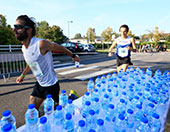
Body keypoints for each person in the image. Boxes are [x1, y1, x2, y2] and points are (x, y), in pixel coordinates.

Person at [13, 15, 80, 110]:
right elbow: (32, 63)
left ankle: (71, 98)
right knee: (32, 111)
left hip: (51, 85)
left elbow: (60, 48)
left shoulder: (41, 44)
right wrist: (22, 75)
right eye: (14, 27)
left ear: (29, 30)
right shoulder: (24, 48)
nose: (14, 30)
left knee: (55, 114)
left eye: (18, 27)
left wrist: (73, 56)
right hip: (40, 84)